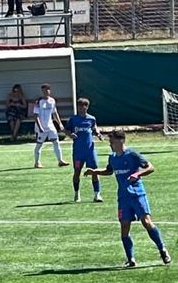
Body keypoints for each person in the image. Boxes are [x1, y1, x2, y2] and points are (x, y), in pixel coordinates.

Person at [85, 130, 170, 268]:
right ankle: (131, 259)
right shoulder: (112, 157)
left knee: (146, 222)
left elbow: (150, 167)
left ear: (121, 141)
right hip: (123, 197)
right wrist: (95, 171)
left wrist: (138, 174)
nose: (110, 144)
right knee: (124, 227)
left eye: (112, 141)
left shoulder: (132, 154)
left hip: (137, 193)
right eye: (110, 141)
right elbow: (109, 171)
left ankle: (162, 249)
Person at [66, 98, 103, 203]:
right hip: (78, 152)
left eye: (84, 106)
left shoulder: (91, 119)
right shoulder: (73, 119)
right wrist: (70, 134)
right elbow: (67, 130)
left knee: (94, 172)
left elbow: (95, 129)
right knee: (77, 172)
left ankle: (97, 195)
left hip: (90, 151)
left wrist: (98, 134)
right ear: (77, 107)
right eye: (80, 106)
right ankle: (77, 194)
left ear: (87, 107)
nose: (82, 108)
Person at [32, 84, 67, 168]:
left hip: (50, 126)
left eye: (47, 90)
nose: (46, 92)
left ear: (50, 91)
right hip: (41, 127)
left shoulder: (52, 101)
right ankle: (36, 163)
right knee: (39, 144)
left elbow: (55, 113)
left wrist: (60, 124)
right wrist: (40, 127)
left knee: (56, 142)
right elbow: (35, 116)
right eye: (44, 90)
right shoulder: (39, 101)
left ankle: (60, 161)